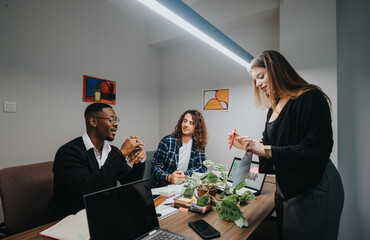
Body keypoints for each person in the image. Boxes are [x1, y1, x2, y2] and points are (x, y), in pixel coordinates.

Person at [228, 50, 344, 240]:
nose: (257, 84)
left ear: (276, 70)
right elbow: (270, 148)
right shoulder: (273, 107)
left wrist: (264, 149)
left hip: (314, 187)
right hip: (287, 187)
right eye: (254, 80)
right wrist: (250, 146)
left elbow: (315, 150)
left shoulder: (310, 98)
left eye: (261, 76)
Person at [48, 103, 146, 221]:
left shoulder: (112, 152)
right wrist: (121, 154)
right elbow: (88, 190)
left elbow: (131, 183)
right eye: (111, 120)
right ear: (93, 122)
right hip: (70, 220)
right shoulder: (68, 152)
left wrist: (139, 161)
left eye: (116, 120)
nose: (116, 124)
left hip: (102, 216)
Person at [151, 110, 208, 187]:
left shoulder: (198, 144)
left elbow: (202, 167)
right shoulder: (167, 141)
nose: (186, 125)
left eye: (191, 123)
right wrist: (169, 177)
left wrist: (185, 175)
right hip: (165, 186)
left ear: (197, 127)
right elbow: (155, 168)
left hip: (186, 186)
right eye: (185, 121)